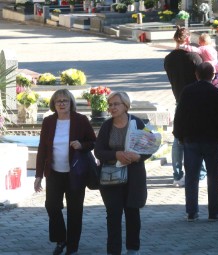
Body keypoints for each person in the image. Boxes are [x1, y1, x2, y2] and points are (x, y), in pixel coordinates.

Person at [34, 89, 96, 255]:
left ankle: (72, 246)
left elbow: (93, 142)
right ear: (53, 104)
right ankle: (61, 240)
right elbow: (42, 149)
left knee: (75, 210)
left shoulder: (80, 120)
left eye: (65, 100)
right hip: (54, 173)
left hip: (75, 173)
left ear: (71, 103)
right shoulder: (48, 121)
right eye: (58, 101)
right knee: (52, 206)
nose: (61, 103)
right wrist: (38, 175)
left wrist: (81, 145)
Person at [173, 62, 218, 222]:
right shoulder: (216, 93)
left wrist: (178, 135)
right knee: (214, 176)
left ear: (196, 75)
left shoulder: (187, 92)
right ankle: (215, 212)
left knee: (191, 176)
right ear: (213, 75)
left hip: (191, 139)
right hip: (212, 140)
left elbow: (179, 115)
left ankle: (191, 212)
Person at [94, 91, 151, 255]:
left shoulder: (138, 122)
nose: (112, 108)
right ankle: (113, 251)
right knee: (113, 215)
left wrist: (139, 156)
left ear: (125, 105)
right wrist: (116, 155)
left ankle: (133, 249)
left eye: (116, 104)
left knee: (132, 213)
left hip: (134, 177)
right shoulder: (106, 126)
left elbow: (151, 145)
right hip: (111, 177)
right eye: (110, 105)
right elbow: (99, 151)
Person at [164, 25, 207, 188]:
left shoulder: (168, 58)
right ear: (188, 39)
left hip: (179, 99)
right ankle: (201, 173)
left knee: (178, 138)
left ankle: (177, 175)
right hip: (196, 100)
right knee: (198, 136)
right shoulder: (195, 58)